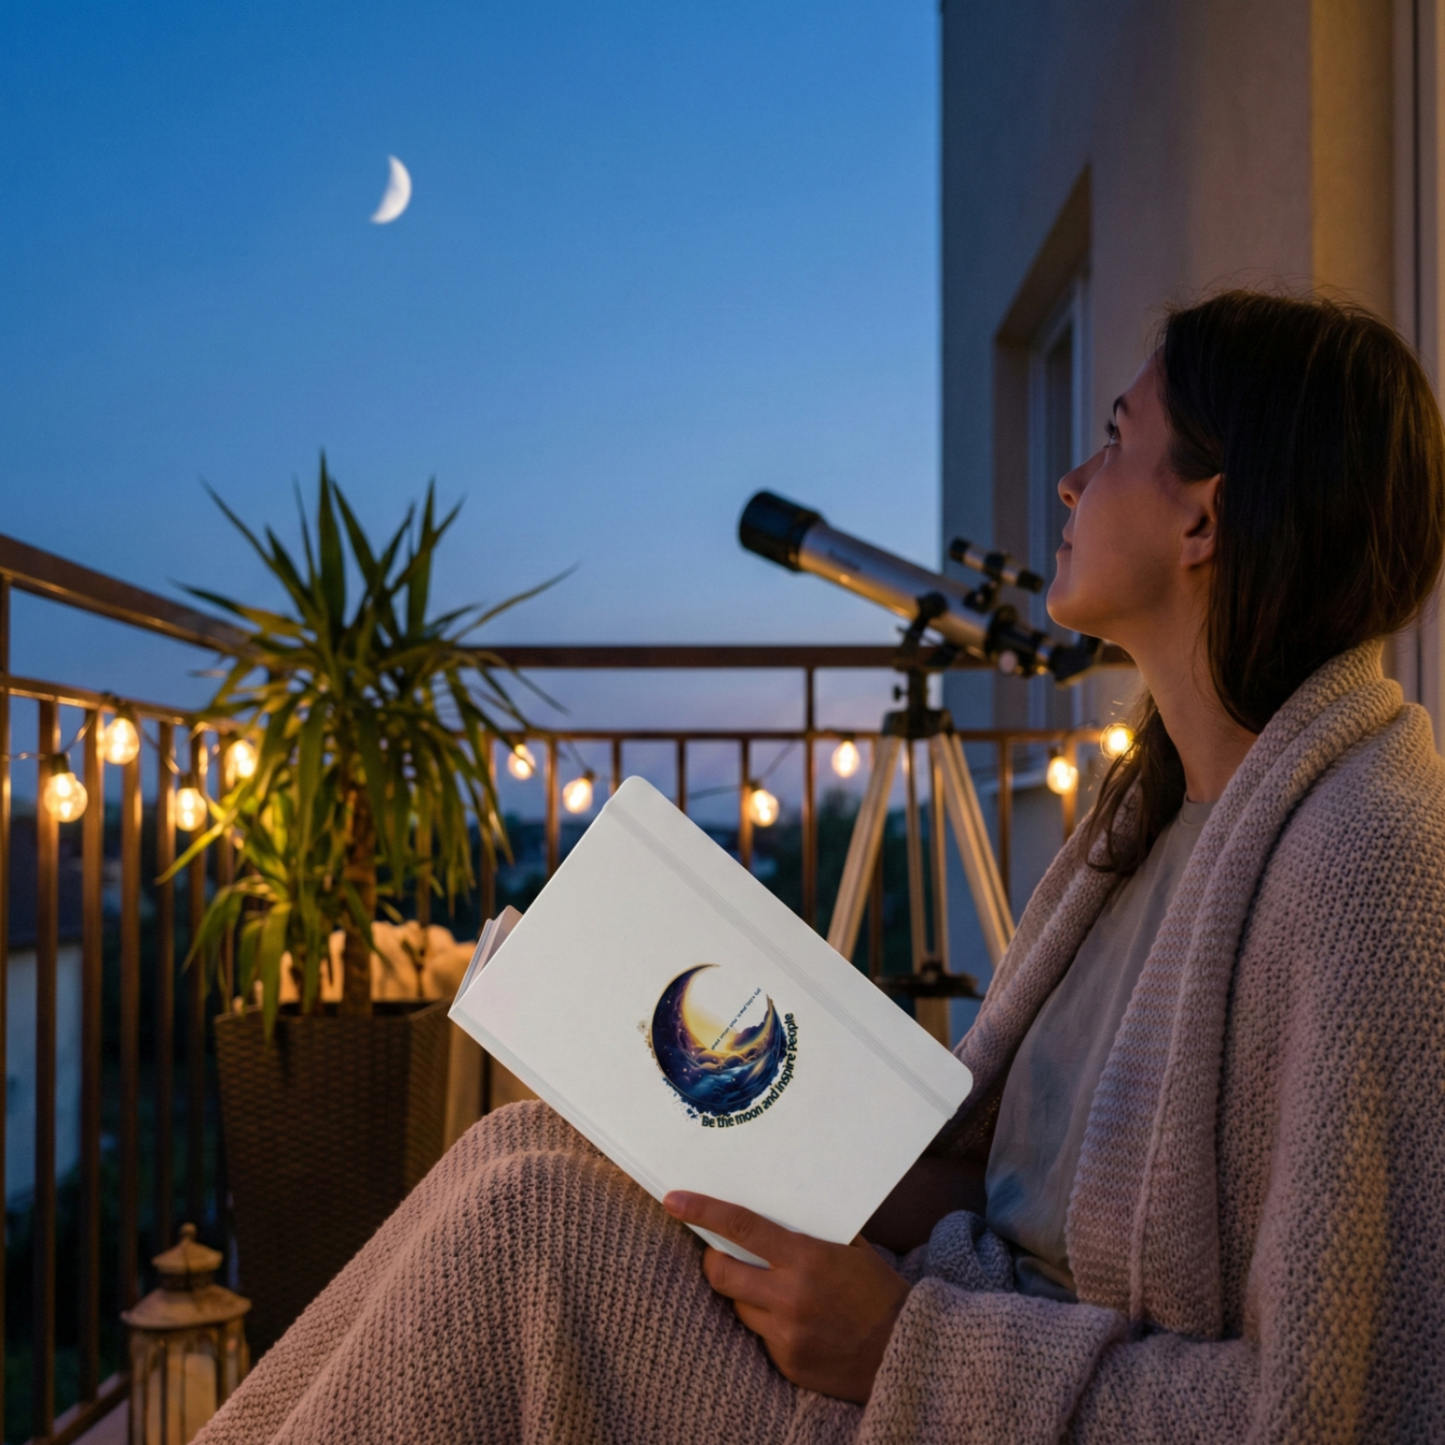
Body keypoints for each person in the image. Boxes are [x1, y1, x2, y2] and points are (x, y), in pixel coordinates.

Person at [196, 292, 1445, 1445]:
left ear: (1201, 517)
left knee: (530, 1233)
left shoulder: (1361, 861)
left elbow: (1319, 1408)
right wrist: (713, 1132)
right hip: (940, 1316)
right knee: (530, 1150)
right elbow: (1004, 1171)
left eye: (1112, 440)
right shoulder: (1150, 814)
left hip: (951, 1384)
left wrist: (903, 1341)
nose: (1068, 479)